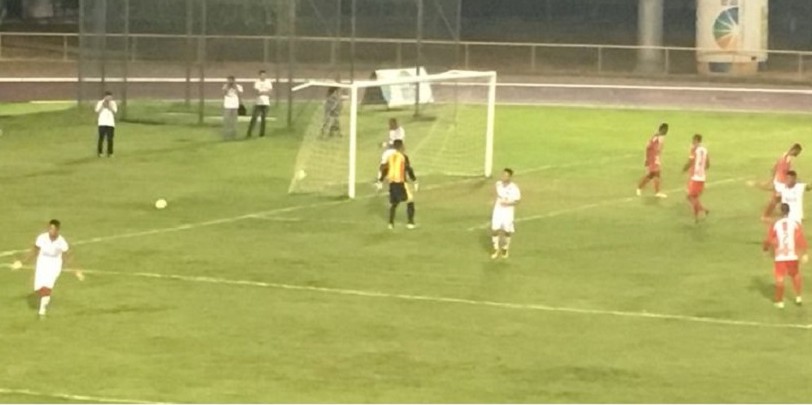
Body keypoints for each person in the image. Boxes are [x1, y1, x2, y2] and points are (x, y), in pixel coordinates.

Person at [15, 220, 83, 318]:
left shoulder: (61, 242)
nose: (51, 231)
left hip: (54, 265)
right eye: (50, 229)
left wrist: (76, 271)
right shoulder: (41, 238)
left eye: (54, 229)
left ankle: (42, 311)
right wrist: (22, 262)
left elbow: (68, 257)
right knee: (39, 288)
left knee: (47, 286)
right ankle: (43, 303)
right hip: (42, 263)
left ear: (58, 230)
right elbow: (34, 251)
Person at [763, 203, 808, 308]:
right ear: (788, 211)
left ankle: (780, 302)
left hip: (780, 256)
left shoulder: (775, 225)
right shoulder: (795, 223)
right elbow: (800, 238)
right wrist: (804, 253)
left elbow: (769, 239)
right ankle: (798, 297)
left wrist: (765, 249)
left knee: (780, 278)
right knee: (795, 275)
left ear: (780, 211)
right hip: (792, 255)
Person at [378, 140, 418, 229]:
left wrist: (380, 180)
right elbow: (408, 168)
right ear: (401, 147)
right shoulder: (403, 157)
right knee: (410, 200)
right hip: (401, 182)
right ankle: (410, 222)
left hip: (392, 183)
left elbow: (385, 169)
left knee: (394, 203)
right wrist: (414, 180)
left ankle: (390, 223)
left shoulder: (390, 157)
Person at [763, 144, 803, 221]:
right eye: (797, 152)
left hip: (779, 180)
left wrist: (773, 177)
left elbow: (775, 166)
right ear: (794, 149)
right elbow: (786, 171)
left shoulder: (784, 155)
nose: (797, 154)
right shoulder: (787, 158)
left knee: (781, 198)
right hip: (781, 182)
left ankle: (783, 214)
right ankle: (765, 215)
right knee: (776, 199)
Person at [491, 168, 521, 259]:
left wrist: (507, 203)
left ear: (510, 177)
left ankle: (505, 247)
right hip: (498, 210)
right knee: (494, 229)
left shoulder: (514, 188)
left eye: (506, 175)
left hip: (508, 212)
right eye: (502, 174)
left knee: (507, 231)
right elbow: (497, 194)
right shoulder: (498, 184)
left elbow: (517, 201)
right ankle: (496, 249)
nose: (503, 177)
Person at [636, 123, 669, 198]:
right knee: (653, 174)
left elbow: (653, 147)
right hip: (653, 158)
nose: (666, 131)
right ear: (662, 129)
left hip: (655, 157)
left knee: (655, 174)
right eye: (665, 129)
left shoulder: (658, 136)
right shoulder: (657, 137)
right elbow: (649, 147)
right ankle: (639, 188)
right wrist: (647, 158)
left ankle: (654, 191)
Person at [683, 134, 710, 223]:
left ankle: (696, 217)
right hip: (702, 177)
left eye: (693, 140)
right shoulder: (705, 150)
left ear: (696, 140)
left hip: (696, 177)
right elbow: (707, 165)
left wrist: (684, 169)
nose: (692, 142)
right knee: (692, 197)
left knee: (691, 197)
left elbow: (690, 162)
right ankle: (704, 211)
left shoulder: (694, 150)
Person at [247, 70, 273, 138]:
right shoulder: (257, 82)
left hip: (266, 103)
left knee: (263, 119)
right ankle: (249, 132)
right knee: (254, 118)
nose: (263, 76)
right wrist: (264, 92)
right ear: (259, 75)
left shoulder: (268, 82)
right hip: (258, 103)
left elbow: (270, 93)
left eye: (264, 75)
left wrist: (263, 92)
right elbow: (257, 92)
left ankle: (262, 134)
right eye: (262, 75)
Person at [95, 91, 117, 157]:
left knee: (110, 138)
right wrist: (103, 105)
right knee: (101, 138)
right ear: (105, 96)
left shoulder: (113, 103)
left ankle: (110, 152)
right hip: (102, 122)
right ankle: (100, 152)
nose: (109, 98)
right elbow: (97, 111)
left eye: (110, 97)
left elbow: (115, 111)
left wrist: (109, 106)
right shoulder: (100, 102)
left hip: (110, 123)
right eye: (108, 96)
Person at [222, 75, 243, 140]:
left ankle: (234, 134)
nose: (230, 82)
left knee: (234, 120)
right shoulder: (225, 86)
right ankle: (226, 134)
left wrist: (235, 87)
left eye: (232, 80)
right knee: (227, 120)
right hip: (227, 105)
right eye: (229, 80)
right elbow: (224, 93)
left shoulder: (238, 86)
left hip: (235, 105)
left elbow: (240, 94)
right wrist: (228, 87)